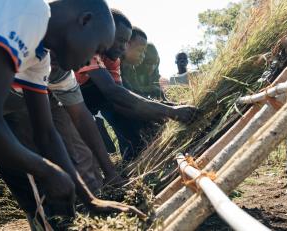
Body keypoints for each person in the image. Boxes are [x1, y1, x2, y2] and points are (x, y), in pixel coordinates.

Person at [0, 0, 143, 228]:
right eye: (96, 49)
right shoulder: (30, 11)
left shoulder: (39, 59)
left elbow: (46, 133)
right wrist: (47, 171)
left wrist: (91, 200)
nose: (90, 61)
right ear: (84, 21)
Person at [75, 11, 199, 160]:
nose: (122, 47)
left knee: (133, 125)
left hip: (89, 105)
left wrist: (156, 113)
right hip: (62, 105)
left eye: (125, 42)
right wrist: (171, 111)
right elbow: (113, 92)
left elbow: (122, 101)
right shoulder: (89, 50)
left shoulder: (112, 60)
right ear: (105, 33)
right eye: (120, 40)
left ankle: (137, 156)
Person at [120, 27, 148, 92]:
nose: (143, 56)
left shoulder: (130, 68)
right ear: (127, 44)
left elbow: (137, 92)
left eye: (144, 52)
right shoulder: (113, 62)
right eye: (140, 50)